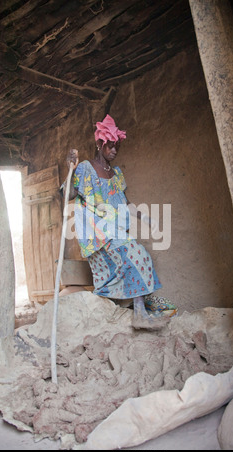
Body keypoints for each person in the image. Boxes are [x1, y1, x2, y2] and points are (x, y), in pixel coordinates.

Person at [66, 114, 166, 330]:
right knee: (137, 253)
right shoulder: (85, 168)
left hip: (114, 228)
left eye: (116, 147)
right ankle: (138, 314)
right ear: (99, 144)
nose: (114, 150)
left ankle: (113, 316)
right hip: (96, 230)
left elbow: (126, 202)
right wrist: (71, 169)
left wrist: (146, 218)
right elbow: (70, 194)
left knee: (117, 269)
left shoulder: (116, 173)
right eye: (110, 146)